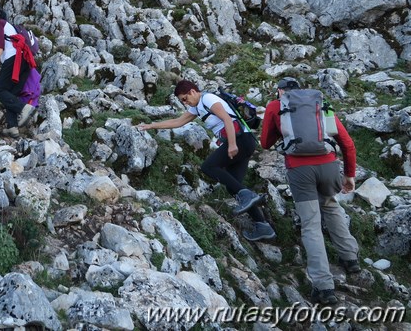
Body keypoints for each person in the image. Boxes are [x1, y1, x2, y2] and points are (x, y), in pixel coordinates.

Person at [260, 77, 360, 306]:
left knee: (311, 225)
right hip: (329, 167)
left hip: (300, 170)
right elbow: (346, 141)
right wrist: (350, 174)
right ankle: (350, 258)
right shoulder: (318, 104)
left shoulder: (276, 106)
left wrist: (281, 130)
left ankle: (324, 287)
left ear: (279, 91)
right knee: (330, 204)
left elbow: (265, 142)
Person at [138, 79, 276, 242]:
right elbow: (178, 122)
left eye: (184, 98)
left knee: (208, 166)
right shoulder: (197, 106)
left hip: (240, 140)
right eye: (182, 101)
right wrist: (152, 126)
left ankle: (248, 196)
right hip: (243, 142)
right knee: (234, 185)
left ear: (192, 92)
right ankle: (263, 226)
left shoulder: (208, 99)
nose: (185, 102)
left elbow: (226, 119)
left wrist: (232, 144)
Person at [0, 5, 36, 139]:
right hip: (25, 62)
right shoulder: (11, 27)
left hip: (14, 59)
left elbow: (0, 44)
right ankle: (12, 127)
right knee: (11, 94)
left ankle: (23, 108)